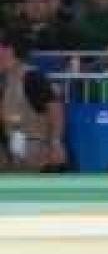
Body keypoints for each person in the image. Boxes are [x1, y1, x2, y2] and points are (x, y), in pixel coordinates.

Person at [0, 29, 65, 172]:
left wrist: (55, 142)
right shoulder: (5, 80)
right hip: (9, 145)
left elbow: (55, 109)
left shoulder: (32, 78)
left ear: (8, 51)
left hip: (33, 146)